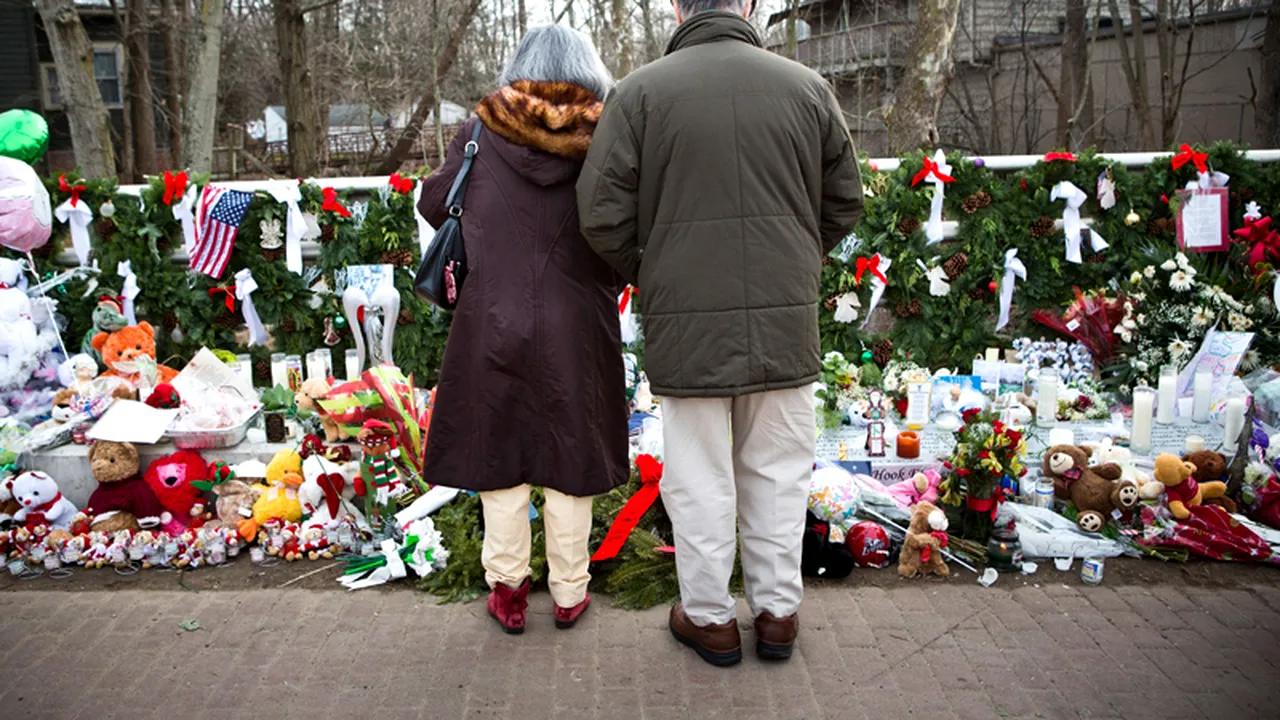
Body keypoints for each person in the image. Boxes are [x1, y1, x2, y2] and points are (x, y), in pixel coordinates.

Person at [577, 0, 864, 665]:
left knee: (699, 477)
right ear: (751, 6)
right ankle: (778, 614)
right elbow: (844, 199)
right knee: (779, 471)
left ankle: (709, 619)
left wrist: (653, 270)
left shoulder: (639, 94)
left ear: (679, 7)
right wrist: (797, 258)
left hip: (686, 321)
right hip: (784, 316)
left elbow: (600, 213)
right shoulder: (806, 88)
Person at [417, 26, 626, 635]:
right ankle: (569, 591)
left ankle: (507, 590)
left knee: (498, 451)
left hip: (491, 318)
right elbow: (625, 226)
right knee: (572, 452)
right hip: (579, 323)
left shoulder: (479, 132)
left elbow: (435, 204)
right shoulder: (607, 136)